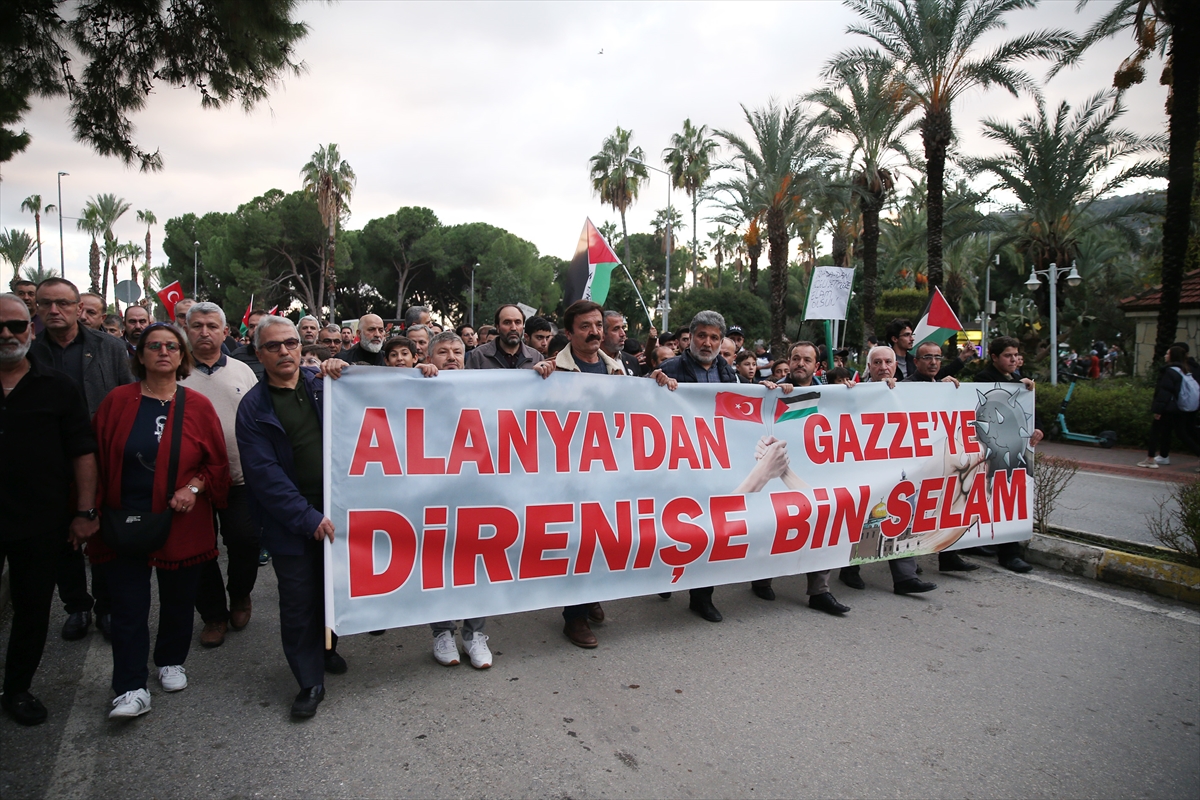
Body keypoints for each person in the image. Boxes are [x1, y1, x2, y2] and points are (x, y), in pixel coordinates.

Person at [90, 322, 231, 719]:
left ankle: (171, 659)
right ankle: (130, 686)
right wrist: (87, 511)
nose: (163, 352)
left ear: (182, 357)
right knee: (129, 605)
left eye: (172, 346)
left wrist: (196, 488)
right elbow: (95, 458)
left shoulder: (197, 406)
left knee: (178, 597)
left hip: (180, 518)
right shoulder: (117, 402)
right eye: (154, 346)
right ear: (140, 355)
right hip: (124, 518)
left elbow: (214, 462)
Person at [236, 317, 347, 718]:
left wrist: (344, 371)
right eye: (273, 346)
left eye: (291, 343)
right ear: (258, 353)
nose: (284, 351)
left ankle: (327, 648)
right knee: (300, 600)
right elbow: (264, 475)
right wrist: (306, 516)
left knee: (333, 591)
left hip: (338, 512)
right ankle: (309, 680)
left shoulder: (325, 385)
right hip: (291, 521)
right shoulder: (253, 408)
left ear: (302, 347)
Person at [0, 294, 99, 726]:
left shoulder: (58, 387)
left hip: (39, 521)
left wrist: (85, 512)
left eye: (16, 326)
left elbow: (82, 453)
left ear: (31, 329)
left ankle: (17, 688)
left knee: (32, 607)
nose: (6, 334)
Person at [553, 300, 675, 647]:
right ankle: (573, 618)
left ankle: (590, 595)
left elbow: (639, 407)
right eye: (584, 326)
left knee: (604, 539)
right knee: (579, 541)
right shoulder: (552, 370)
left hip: (609, 471)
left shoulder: (619, 369)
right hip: (569, 473)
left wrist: (655, 380)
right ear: (568, 332)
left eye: (597, 326)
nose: (593, 332)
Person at [31, 278, 132, 642]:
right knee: (61, 536)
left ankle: (106, 605)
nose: (54, 311)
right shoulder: (29, 351)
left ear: (78, 307)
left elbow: (127, 396)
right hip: (49, 460)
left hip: (102, 455)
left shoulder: (109, 347)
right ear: (37, 310)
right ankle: (77, 605)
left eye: (62, 303)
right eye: (46, 304)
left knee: (105, 534)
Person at [179, 302, 262, 648]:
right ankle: (213, 614)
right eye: (196, 326)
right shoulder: (176, 373)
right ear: (186, 331)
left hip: (240, 476)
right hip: (190, 480)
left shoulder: (244, 371)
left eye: (212, 326)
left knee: (245, 541)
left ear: (225, 331)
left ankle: (240, 594)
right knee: (198, 551)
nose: (204, 332)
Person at [753, 341, 851, 615]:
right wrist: (769, 391)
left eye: (806, 360)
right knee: (775, 527)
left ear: (816, 366)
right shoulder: (770, 390)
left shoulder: (829, 393)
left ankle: (820, 591)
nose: (799, 363)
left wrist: (854, 392)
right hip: (778, 470)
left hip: (816, 471)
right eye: (795, 358)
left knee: (822, 526)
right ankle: (761, 578)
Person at [658, 311, 743, 623]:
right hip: (677, 464)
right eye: (702, 336)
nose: (707, 343)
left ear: (721, 342)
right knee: (672, 525)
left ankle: (701, 596)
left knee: (708, 529)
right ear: (690, 337)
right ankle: (663, 576)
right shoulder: (668, 369)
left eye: (714, 338)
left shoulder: (729, 373)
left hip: (714, 465)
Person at [839, 345, 938, 594]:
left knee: (900, 515)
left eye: (888, 362)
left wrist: (947, 385)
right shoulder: (853, 391)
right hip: (862, 467)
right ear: (869, 366)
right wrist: (846, 393)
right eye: (877, 362)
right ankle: (850, 568)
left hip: (896, 467)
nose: (883, 367)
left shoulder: (907, 391)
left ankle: (905, 577)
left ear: (896, 365)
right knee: (864, 518)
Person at [901, 341, 980, 574]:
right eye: (927, 357)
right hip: (915, 461)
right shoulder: (906, 386)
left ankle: (949, 556)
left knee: (946, 506)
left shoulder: (942, 384)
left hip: (939, 458)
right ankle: (909, 560)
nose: (933, 362)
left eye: (937, 357)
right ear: (916, 361)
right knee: (916, 510)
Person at [972, 336, 1044, 572]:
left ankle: (1010, 552)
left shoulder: (1020, 382)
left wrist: (1038, 428)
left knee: (1010, 497)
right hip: (992, 450)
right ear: (994, 357)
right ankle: (988, 545)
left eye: (1015, 355)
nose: (1014, 359)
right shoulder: (983, 380)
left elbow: (1029, 412)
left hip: (1015, 451)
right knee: (989, 496)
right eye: (1007, 355)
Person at [1138, 345, 1200, 472]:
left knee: (1155, 431)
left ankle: (1150, 459)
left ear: (1173, 356)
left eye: (1168, 353)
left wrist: (1158, 410)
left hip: (1167, 408)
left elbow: (1164, 392)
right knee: (1182, 433)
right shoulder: (1185, 369)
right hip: (1180, 407)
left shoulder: (1169, 371)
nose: (1165, 355)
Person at [464, 305, 549, 371]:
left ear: (523, 326)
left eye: (518, 322)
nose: (513, 328)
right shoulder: (478, 356)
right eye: (507, 322)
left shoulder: (537, 357)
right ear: (497, 327)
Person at [230, 309, 268, 380]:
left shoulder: (279, 353)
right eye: (251, 326)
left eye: (260, 326)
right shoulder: (237, 356)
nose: (255, 330)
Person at [601, 311, 641, 375]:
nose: (623, 334)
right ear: (602, 334)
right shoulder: (591, 361)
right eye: (616, 329)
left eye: (623, 328)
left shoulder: (632, 360)